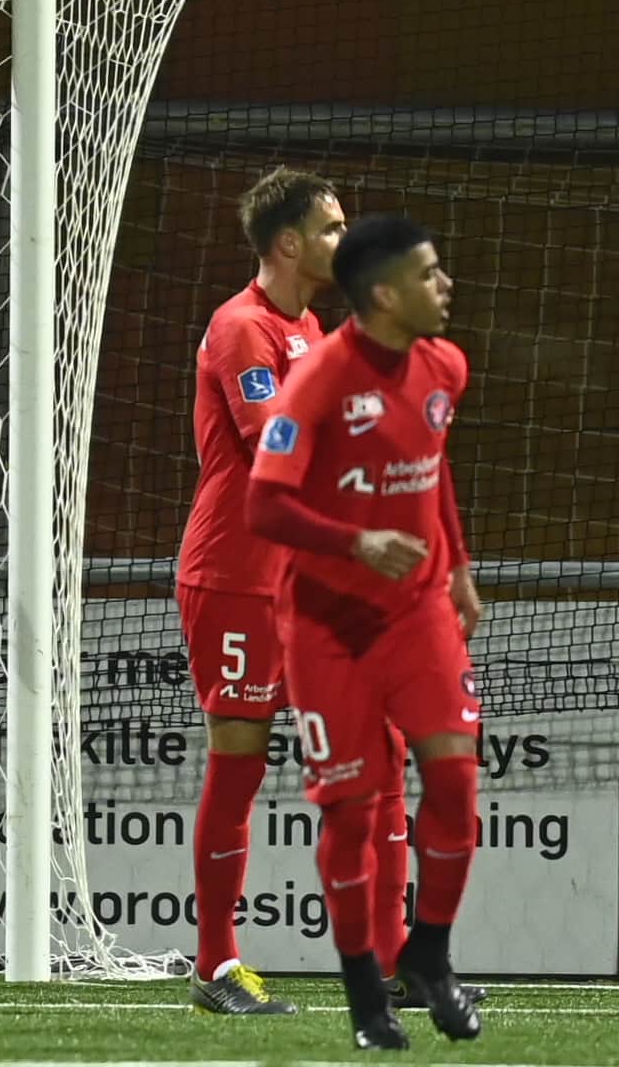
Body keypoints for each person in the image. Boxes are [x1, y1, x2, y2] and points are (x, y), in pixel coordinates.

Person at [247, 215, 484, 1050]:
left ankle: (431, 955)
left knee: (455, 783)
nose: (445, 285)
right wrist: (358, 543)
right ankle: (364, 999)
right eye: (429, 274)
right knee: (350, 813)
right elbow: (264, 504)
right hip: (326, 624)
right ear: (383, 295)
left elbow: (433, 461)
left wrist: (458, 566)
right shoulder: (316, 381)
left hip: (417, 612)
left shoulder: (445, 365)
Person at [176, 167, 344, 1013]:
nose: (344, 241)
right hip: (237, 575)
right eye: (331, 228)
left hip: (302, 574)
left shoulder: (310, 325)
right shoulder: (242, 326)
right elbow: (278, 446)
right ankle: (217, 967)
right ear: (288, 242)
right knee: (240, 764)